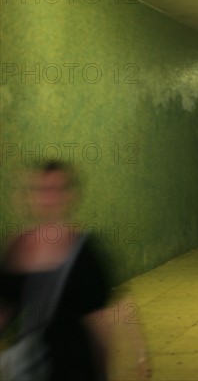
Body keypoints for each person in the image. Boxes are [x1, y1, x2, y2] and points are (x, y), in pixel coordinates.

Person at [0, 161, 151, 380]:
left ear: (71, 196)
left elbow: (102, 320)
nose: (49, 198)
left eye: (57, 190)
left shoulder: (85, 252)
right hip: (31, 368)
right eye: (42, 190)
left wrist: (133, 357)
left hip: (76, 367)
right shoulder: (16, 247)